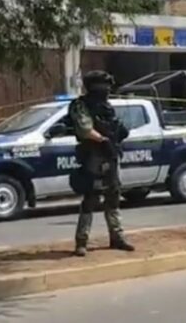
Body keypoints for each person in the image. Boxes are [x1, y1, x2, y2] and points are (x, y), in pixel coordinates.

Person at [69, 71, 134, 257]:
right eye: (104, 86)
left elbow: (115, 126)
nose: (107, 90)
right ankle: (82, 241)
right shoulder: (80, 105)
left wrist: (118, 133)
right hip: (93, 155)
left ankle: (117, 237)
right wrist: (102, 140)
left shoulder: (106, 106)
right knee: (91, 198)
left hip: (110, 154)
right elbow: (85, 129)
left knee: (113, 195)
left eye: (108, 86)